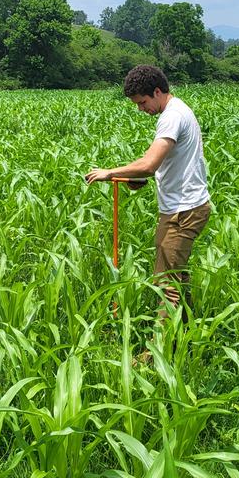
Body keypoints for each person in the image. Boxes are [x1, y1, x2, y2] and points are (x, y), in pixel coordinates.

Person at [85, 64, 211, 321]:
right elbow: (160, 165)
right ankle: (186, 330)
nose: (141, 109)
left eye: (142, 102)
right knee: (176, 275)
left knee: (167, 282)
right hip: (179, 208)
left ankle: (160, 350)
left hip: (184, 211)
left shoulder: (172, 117)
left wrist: (109, 172)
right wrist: (138, 176)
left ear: (157, 91)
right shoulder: (176, 111)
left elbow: (150, 163)